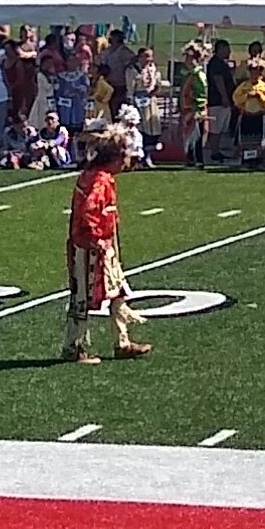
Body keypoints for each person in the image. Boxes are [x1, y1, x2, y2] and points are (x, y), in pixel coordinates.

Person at [62, 129, 154, 364]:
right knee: (82, 297)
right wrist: (98, 240)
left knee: (118, 292)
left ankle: (122, 342)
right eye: (125, 156)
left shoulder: (97, 176)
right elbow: (89, 212)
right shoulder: (98, 180)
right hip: (89, 248)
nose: (127, 162)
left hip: (101, 246)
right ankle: (74, 347)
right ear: (114, 158)